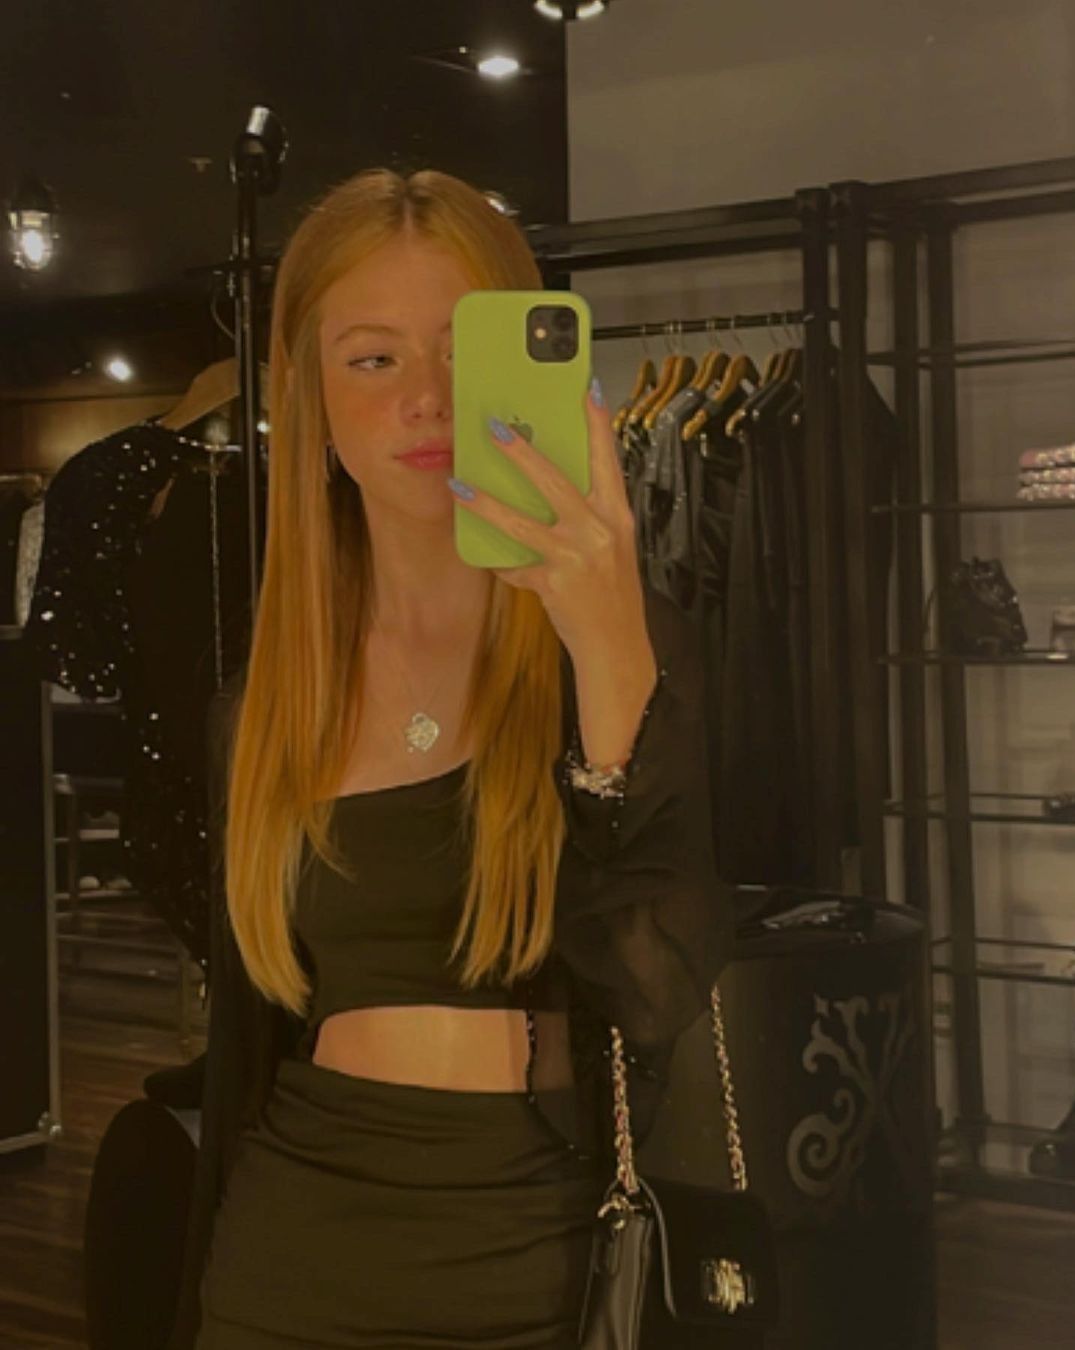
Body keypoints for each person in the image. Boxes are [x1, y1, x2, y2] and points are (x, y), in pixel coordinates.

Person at [169, 167, 731, 1350]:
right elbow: (247, 1045)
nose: (429, 398)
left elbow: (657, 993)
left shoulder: (625, 650)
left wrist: (609, 651)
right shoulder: (263, 708)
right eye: (374, 358)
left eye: (468, 351)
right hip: (289, 1256)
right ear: (311, 401)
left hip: (543, 1260)